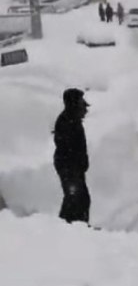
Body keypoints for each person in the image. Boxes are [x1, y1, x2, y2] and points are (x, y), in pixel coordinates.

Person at [53, 88, 91, 225]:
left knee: (80, 198)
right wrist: (75, 165)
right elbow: (67, 148)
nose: (84, 105)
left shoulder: (72, 120)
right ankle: (66, 227)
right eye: (81, 101)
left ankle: (78, 225)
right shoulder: (66, 121)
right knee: (74, 198)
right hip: (68, 168)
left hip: (74, 168)